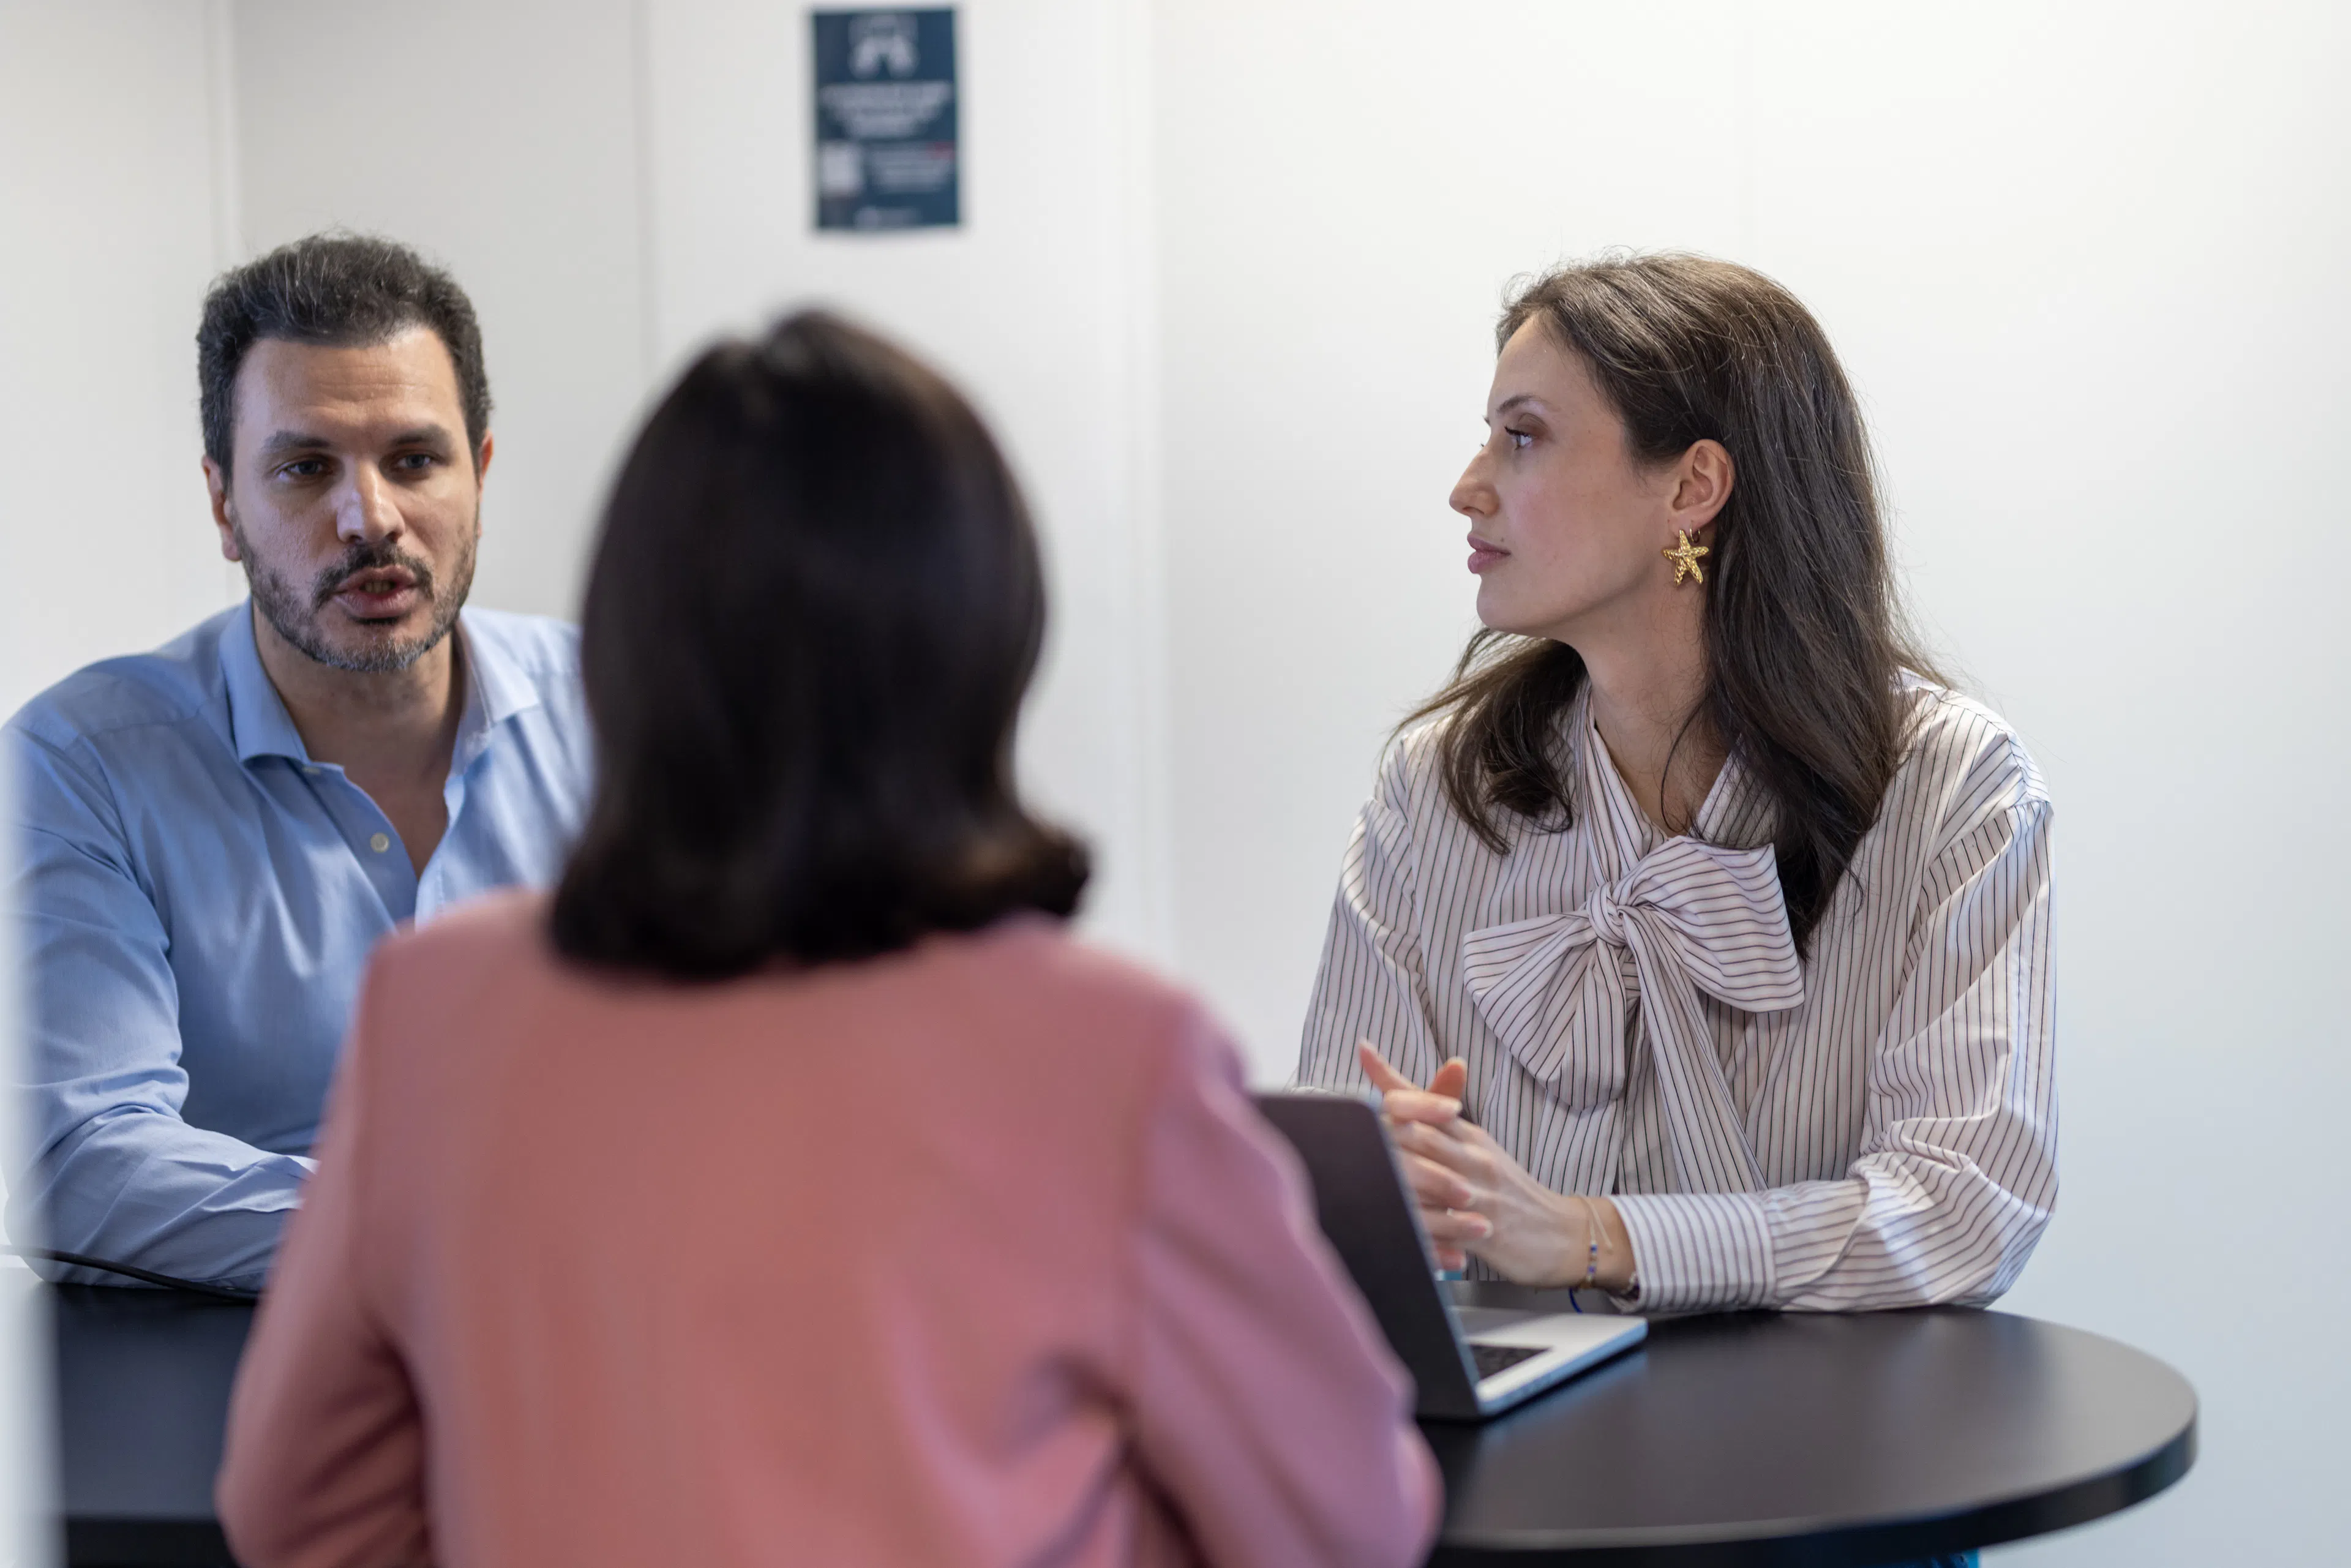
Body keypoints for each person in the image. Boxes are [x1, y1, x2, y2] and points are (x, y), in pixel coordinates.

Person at [216, 313, 1441, 1568]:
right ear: (986, 635)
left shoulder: (435, 1005)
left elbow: (300, 1511)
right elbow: (1341, 1520)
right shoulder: (1108, 1051)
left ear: (630, 640)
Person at [1299, 254, 2056, 1320]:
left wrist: (1590, 1236)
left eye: (1523, 436)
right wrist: (1382, 1201)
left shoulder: (1952, 785)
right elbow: (1335, 1203)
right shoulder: (1436, 791)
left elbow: (1968, 1208)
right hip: (1515, 1462)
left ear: (1691, 489)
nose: (1469, 486)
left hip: (1841, 1459)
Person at [6, 234, 592, 1292]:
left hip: (590, 1350)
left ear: (481, 474)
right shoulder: (79, 766)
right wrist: (446, 1237)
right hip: (218, 1378)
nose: (371, 518)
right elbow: (72, 1155)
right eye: (304, 468)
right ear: (225, 504)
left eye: (415, 460)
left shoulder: (621, 719)